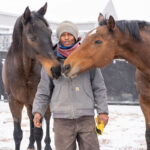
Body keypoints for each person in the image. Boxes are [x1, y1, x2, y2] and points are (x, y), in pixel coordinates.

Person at [32, 21, 109, 150]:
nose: (66, 37)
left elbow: (99, 87)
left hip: (86, 119)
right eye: (63, 35)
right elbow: (43, 91)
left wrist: (103, 111)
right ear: (59, 38)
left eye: (69, 34)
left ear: (75, 36)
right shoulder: (51, 62)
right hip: (62, 121)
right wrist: (38, 111)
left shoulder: (88, 58)